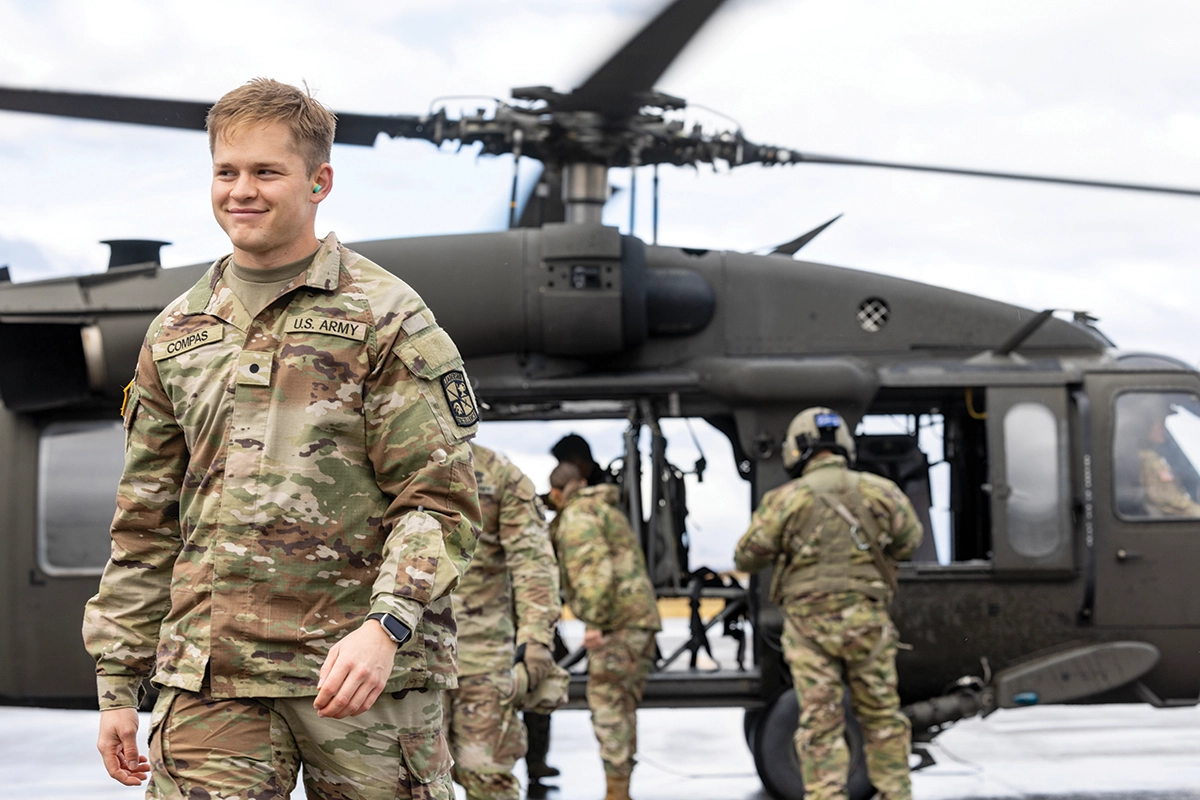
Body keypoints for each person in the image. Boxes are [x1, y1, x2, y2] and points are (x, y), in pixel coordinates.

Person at [81, 78, 481, 799]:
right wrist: (117, 679)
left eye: (267, 172)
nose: (242, 191)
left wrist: (386, 627)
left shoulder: (386, 315)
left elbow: (438, 501)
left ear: (319, 181)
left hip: (358, 675)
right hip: (211, 676)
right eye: (226, 172)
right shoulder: (177, 332)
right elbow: (144, 521)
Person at [734, 407, 922, 800]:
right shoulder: (880, 491)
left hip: (810, 627)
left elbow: (747, 556)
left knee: (821, 723)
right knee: (883, 719)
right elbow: (910, 541)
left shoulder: (785, 499)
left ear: (797, 449)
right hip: (866, 623)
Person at [448, 443, 561, 800]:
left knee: (487, 778)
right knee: (403, 786)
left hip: (481, 658)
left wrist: (536, 639)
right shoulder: (380, 458)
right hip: (394, 656)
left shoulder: (498, 474)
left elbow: (533, 563)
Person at [548, 462, 661, 800]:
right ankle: (622, 786)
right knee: (623, 707)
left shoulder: (578, 517)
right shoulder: (606, 510)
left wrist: (595, 622)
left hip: (617, 624)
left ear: (557, 494)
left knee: (609, 708)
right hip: (639, 620)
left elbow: (596, 571)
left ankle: (617, 793)